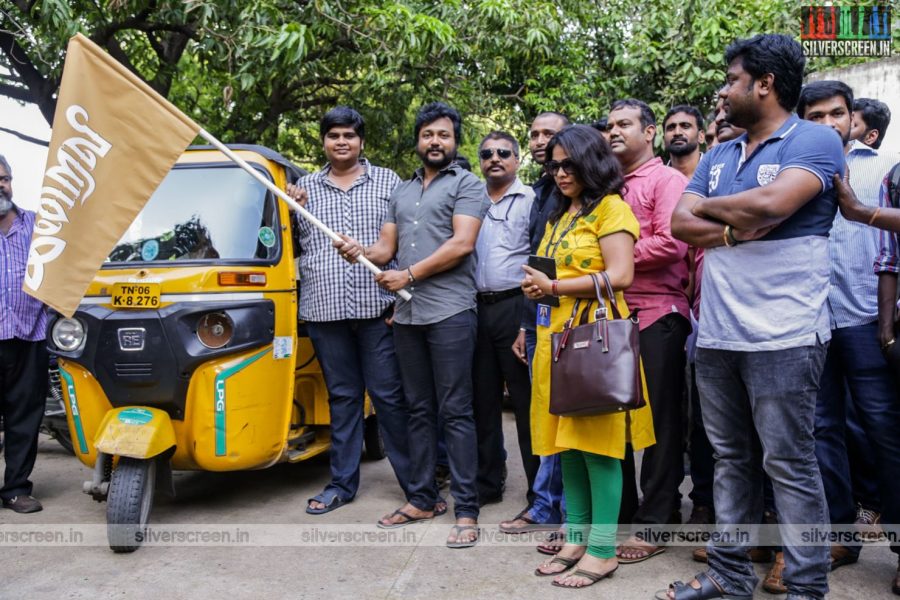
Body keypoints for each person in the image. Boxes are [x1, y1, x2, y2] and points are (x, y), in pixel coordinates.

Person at [667, 34, 844, 600]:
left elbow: (772, 206)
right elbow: (678, 220)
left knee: (789, 462)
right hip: (719, 331)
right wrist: (732, 226)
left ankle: (807, 585)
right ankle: (728, 574)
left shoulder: (813, 138)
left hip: (787, 333)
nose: (723, 91)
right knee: (729, 458)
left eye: (732, 79)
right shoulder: (720, 152)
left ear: (763, 84)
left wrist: (721, 210)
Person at [335, 102, 488, 548]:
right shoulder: (400, 192)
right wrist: (357, 248)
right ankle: (420, 498)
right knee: (416, 409)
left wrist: (411, 274)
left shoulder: (468, 185)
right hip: (408, 316)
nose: (434, 142)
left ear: (455, 140)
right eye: (427, 135)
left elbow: (463, 243)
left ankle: (466, 509)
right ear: (417, 141)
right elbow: (385, 251)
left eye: (442, 134)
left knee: (456, 411)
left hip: (452, 312)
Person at [522, 124, 655, 588]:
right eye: (553, 165)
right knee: (569, 449)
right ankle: (575, 539)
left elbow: (620, 275)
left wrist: (554, 286)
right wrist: (537, 300)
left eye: (568, 164)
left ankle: (602, 550)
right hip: (555, 340)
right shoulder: (560, 217)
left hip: (594, 342)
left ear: (591, 162)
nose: (559, 172)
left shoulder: (612, 210)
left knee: (599, 451)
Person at [798, 80, 900, 597]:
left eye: (836, 114)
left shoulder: (882, 167)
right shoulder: (794, 173)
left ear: (851, 117)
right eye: (814, 116)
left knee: (884, 431)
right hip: (810, 322)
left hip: (864, 317)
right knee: (821, 431)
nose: (828, 124)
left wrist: (889, 321)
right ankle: (839, 537)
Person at [286, 106, 412, 515]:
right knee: (342, 398)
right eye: (334, 135)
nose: (342, 142)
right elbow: (288, 243)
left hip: (375, 309)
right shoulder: (303, 188)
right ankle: (342, 484)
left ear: (361, 141)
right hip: (324, 312)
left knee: (388, 397)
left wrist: (372, 258)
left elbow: (396, 244)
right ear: (323, 141)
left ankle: (416, 485)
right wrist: (289, 207)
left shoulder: (388, 181)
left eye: (349, 135)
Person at [607, 98, 690, 563]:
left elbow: (673, 241)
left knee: (657, 424)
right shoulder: (605, 185)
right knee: (611, 420)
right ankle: (617, 513)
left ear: (650, 132)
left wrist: (611, 259)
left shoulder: (667, 180)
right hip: (611, 317)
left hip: (658, 315)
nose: (614, 131)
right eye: (610, 125)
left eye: (625, 124)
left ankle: (658, 520)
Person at [504, 111, 570, 538]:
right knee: (542, 416)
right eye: (535, 133)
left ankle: (564, 512)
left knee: (567, 420)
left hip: (578, 322)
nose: (541, 140)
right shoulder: (541, 192)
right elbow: (536, 267)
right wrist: (526, 326)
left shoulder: (586, 198)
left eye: (551, 133)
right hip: (540, 319)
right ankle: (545, 505)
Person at [471, 131, 538, 510]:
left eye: (503, 153)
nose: (494, 158)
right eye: (487, 153)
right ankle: (488, 482)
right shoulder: (469, 199)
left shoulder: (532, 199)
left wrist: (527, 321)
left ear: (517, 160)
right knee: (482, 401)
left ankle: (537, 492)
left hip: (516, 307)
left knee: (526, 404)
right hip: (476, 308)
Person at [0, 154, 48, 514]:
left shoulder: (37, 225)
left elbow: (63, 265)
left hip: (29, 336)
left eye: (3, 178)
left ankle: (16, 489)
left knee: (24, 417)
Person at [663, 105, 705, 179]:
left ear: (701, 136)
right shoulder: (656, 179)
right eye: (671, 128)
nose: (677, 132)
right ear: (664, 139)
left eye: (685, 126)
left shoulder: (717, 172)